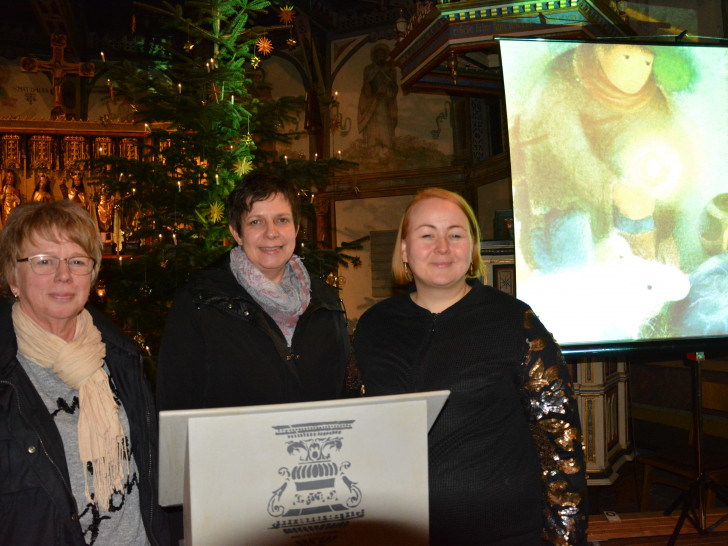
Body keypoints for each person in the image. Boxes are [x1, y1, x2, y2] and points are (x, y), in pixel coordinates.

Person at [352, 188, 588, 545]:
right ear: (404, 249)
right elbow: (355, 427)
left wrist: (566, 538)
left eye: (456, 235)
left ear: (473, 248)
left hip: (503, 534)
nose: (442, 247)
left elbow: (561, 440)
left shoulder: (515, 322)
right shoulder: (373, 325)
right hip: (397, 532)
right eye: (427, 234)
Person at [0, 200, 169, 545]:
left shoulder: (121, 358)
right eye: (43, 261)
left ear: (91, 275)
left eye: (77, 261)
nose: (63, 275)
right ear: (12, 276)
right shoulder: (6, 374)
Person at [157, 171, 350, 411]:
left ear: (297, 229)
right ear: (236, 233)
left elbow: (344, 402)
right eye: (256, 222)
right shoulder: (199, 304)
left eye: (282, 220)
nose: (271, 233)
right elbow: (176, 406)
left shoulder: (326, 304)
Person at [357, 43, 398, 151]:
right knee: (372, 124)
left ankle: (386, 145)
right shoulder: (369, 69)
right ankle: (372, 145)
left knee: (384, 122)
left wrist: (387, 91)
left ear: (385, 56)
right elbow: (366, 86)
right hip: (372, 101)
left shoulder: (390, 69)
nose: (380, 57)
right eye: (377, 55)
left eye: (382, 54)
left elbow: (393, 86)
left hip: (385, 101)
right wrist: (371, 93)